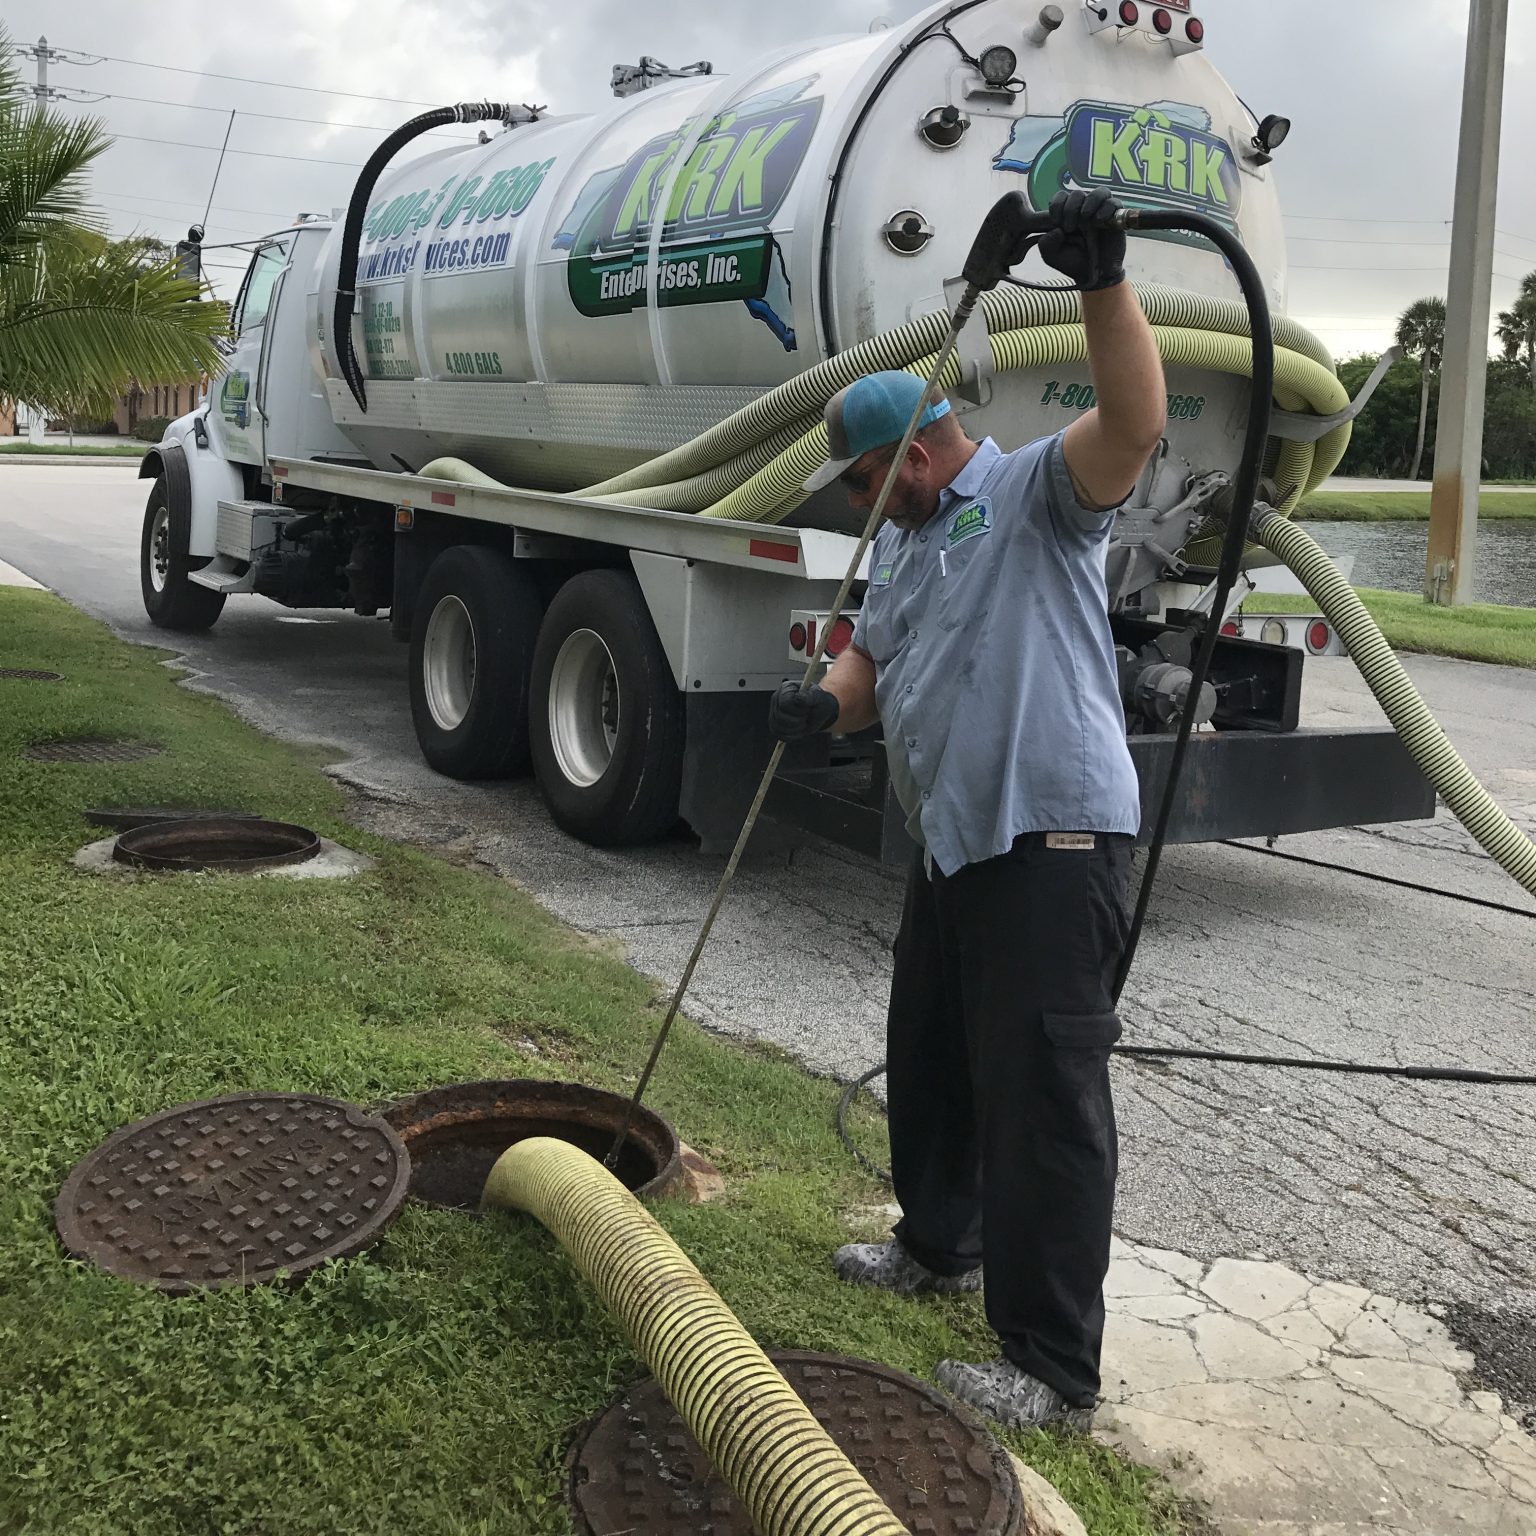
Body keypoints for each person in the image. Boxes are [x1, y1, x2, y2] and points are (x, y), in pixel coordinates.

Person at [768, 190, 1165, 1430]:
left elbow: (1133, 425)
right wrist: (819, 713)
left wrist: (1104, 284)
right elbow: (870, 667)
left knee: (1042, 1101)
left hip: (1050, 841)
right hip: (956, 845)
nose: (860, 505)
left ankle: (1051, 1368)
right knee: (937, 1055)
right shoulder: (904, 547)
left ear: (924, 453)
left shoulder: (1035, 497)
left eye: (869, 483)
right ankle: (937, 1242)